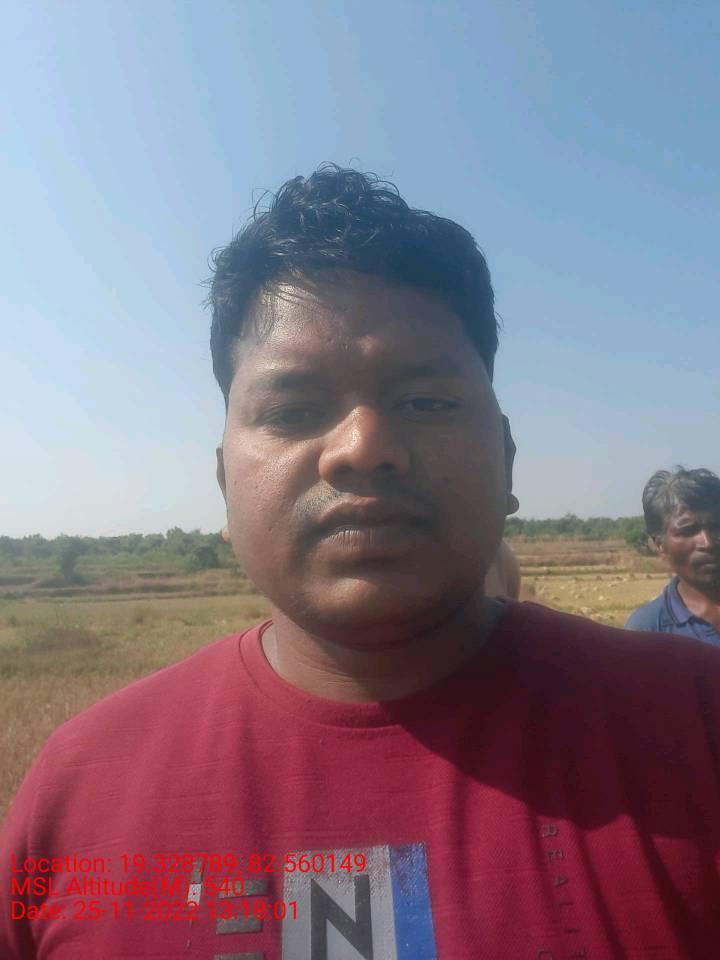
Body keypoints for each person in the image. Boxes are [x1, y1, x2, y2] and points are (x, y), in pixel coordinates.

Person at [3, 165, 720, 959]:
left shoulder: (694, 723)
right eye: (293, 410)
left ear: (508, 458)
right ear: (224, 481)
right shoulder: (79, 789)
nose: (362, 446)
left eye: (426, 402)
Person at [625, 466, 720, 643]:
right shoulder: (648, 629)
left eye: (716, 527)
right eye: (688, 530)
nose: (708, 543)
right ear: (659, 544)